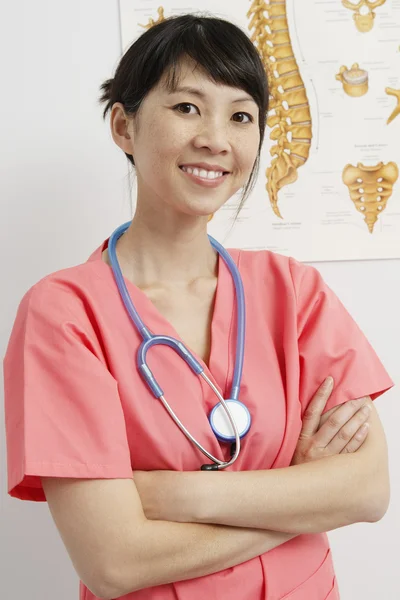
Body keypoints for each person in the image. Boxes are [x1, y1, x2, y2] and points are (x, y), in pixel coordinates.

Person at [3, 13, 394, 600]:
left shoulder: (293, 291)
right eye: (187, 107)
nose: (216, 137)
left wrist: (175, 496)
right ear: (122, 125)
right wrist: (299, 497)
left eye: (241, 115)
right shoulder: (64, 315)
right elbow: (113, 562)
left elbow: (366, 491)